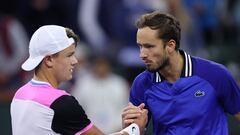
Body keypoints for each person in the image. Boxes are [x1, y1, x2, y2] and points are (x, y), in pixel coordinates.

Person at [10, 25, 148, 135]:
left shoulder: (19, 95)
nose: (75, 61)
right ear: (49, 60)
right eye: (69, 55)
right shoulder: (60, 103)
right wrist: (135, 129)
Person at [121, 11, 240, 135]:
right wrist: (129, 126)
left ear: (171, 46)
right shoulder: (141, 84)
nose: (142, 54)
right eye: (140, 46)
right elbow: (135, 130)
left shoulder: (216, 74)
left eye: (149, 46)